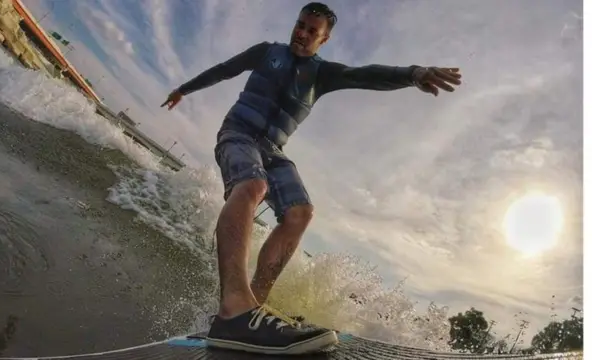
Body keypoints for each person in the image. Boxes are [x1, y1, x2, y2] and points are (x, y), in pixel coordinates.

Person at [161, 2, 462, 355]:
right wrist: (184, 88)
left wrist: (412, 73)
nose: (302, 34)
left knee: (300, 214)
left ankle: (252, 309)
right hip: (238, 134)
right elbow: (224, 70)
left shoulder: (322, 74)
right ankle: (233, 310)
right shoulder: (266, 51)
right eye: (300, 25)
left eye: (311, 31)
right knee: (252, 186)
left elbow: (366, 74)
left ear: (325, 39)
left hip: (272, 149)